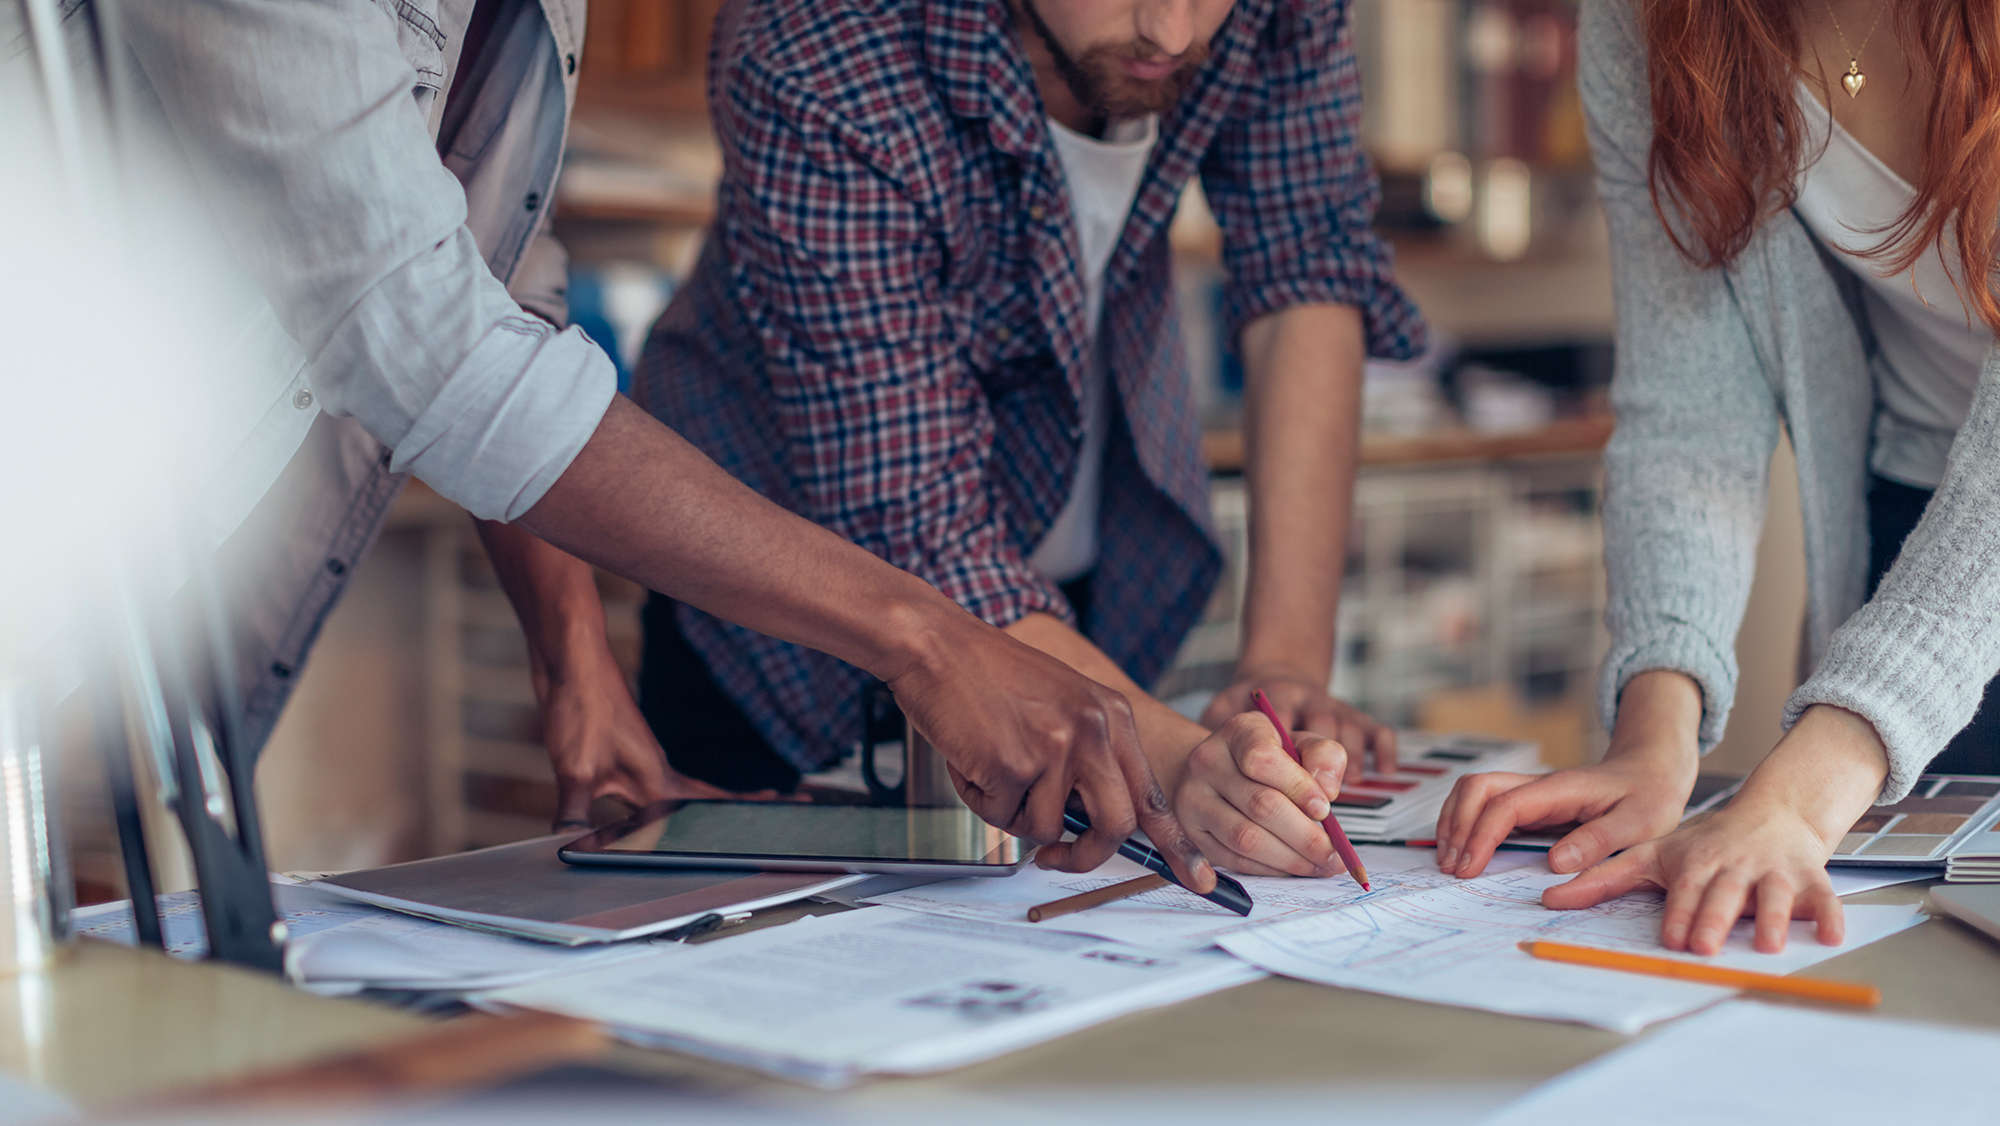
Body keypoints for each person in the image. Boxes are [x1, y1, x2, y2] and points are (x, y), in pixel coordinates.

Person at [13, 0, 1314, 891]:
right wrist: (928, 635)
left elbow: (489, 271)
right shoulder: (821, 46)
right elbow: (422, 337)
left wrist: (570, 650)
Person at [482, 0, 1427, 878]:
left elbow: (1306, 263)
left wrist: (1286, 664)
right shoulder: (820, 40)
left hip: (1077, 616)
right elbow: (919, 527)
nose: (1172, 32)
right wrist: (1180, 761)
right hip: (795, 635)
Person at [1433, 0, 2000, 953]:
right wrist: (1656, 735)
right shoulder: (1651, 21)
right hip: (1913, 518)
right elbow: (1689, 406)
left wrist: (1804, 787)